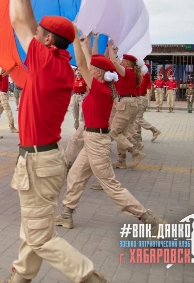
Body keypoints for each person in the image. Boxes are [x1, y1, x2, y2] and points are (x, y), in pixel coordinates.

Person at [5, 0, 106, 283]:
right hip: (46, 159)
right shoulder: (59, 62)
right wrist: (27, 0)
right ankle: (20, 277)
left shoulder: (45, 61)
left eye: (41, 34)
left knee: (40, 237)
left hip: (37, 162)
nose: (35, 36)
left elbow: (18, 24)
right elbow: (32, 27)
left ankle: (88, 277)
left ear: (47, 40)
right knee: (35, 227)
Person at [54, 33, 167, 238]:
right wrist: (86, 43)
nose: (88, 69)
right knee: (76, 175)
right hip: (92, 139)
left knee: (111, 185)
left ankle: (148, 218)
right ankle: (66, 214)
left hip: (96, 141)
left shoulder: (99, 88)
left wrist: (77, 41)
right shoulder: (104, 86)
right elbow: (88, 60)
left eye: (92, 68)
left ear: (98, 72)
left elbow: (81, 61)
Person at [107, 43, 146, 169]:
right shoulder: (129, 72)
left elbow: (114, 62)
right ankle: (122, 159)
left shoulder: (128, 72)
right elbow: (115, 61)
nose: (121, 61)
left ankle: (136, 152)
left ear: (128, 63)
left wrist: (109, 46)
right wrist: (114, 52)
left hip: (126, 103)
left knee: (114, 132)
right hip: (128, 103)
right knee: (121, 132)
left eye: (123, 60)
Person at [131, 63, 161, 144]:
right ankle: (137, 137)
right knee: (136, 119)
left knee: (138, 118)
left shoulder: (146, 74)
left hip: (141, 98)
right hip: (138, 98)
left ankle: (154, 130)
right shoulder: (142, 75)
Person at [0, 66, 19, 133]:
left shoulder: (6, 76)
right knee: (8, 111)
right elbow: (8, 71)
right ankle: (12, 127)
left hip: (5, 94)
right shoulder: (1, 75)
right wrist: (13, 66)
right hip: (2, 94)